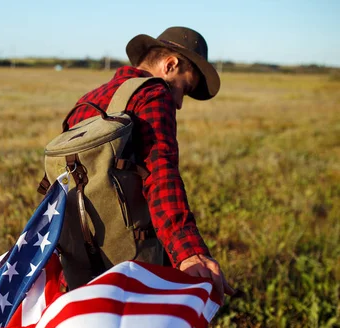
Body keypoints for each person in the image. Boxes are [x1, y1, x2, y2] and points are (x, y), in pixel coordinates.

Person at [64, 26, 234, 300]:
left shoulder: (87, 100)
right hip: (133, 262)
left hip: (78, 258)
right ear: (170, 64)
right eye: (184, 87)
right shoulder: (153, 93)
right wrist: (189, 251)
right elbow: (161, 173)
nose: (178, 102)